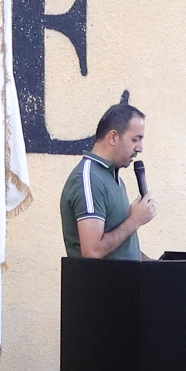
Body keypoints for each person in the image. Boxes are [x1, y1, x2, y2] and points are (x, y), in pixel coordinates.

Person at [60, 103, 155, 261]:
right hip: (100, 285)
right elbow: (93, 251)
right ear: (113, 137)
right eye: (135, 139)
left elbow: (121, 250)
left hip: (125, 284)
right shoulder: (89, 179)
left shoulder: (112, 177)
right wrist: (135, 220)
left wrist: (157, 266)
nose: (140, 148)